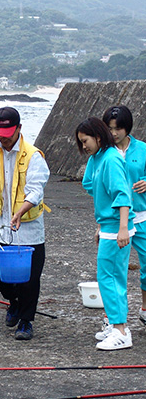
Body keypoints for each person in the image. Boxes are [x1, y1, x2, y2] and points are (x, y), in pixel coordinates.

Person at [0, 106, 49, 341]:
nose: (2, 140)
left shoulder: (33, 155)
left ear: (19, 129)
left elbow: (36, 190)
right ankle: (13, 302)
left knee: (29, 278)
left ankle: (26, 321)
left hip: (28, 226)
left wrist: (20, 211)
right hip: (1, 226)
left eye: (7, 135)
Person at [76, 116, 135, 350]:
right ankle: (116, 325)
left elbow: (122, 195)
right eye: (81, 142)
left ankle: (120, 330)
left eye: (85, 141)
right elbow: (89, 184)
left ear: (98, 137)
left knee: (109, 279)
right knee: (111, 278)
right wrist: (103, 225)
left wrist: (122, 229)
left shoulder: (110, 159)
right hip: (108, 225)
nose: (83, 146)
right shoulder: (100, 157)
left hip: (116, 228)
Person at [102, 106, 146, 327]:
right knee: (114, 270)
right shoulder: (104, 154)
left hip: (141, 215)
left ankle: (144, 309)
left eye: (118, 128)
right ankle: (111, 317)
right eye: (110, 129)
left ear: (127, 128)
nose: (114, 133)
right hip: (116, 221)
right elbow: (92, 185)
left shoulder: (142, 149)